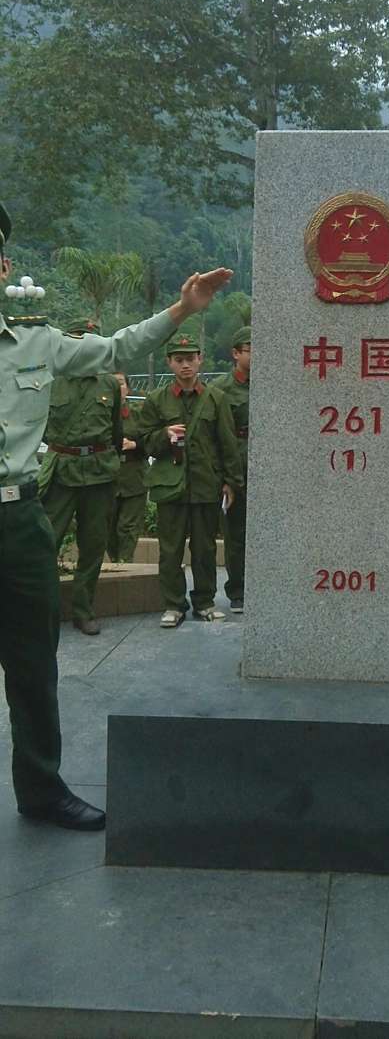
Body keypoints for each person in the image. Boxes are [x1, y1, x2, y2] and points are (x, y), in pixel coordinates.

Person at [0, 197, 232, 830]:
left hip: (16, 521)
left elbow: (117, 347)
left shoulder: (38, 342)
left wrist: (184, 310)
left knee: (32, 662)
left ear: (2, 265)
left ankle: (41, 789)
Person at [139, 332, 243, 627]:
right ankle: (173, 604)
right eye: (179, 360)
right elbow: (144, 441)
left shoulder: (216, 398)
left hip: (205, 484)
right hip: (170, 486)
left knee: (205, 548)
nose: (186, 365)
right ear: (169, 363)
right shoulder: (157, 400)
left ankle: (205, 602)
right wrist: (164, 435)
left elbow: (227, 444)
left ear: (200, 360)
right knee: (170, 549)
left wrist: (231, 482)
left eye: (191, 359)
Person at [38, 321, 122, 636]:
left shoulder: (109, 384)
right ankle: (40, 611)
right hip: (62, 472)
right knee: (45, 542)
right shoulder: (50, 380)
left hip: (99, 473)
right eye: (79, 341)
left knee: (93, 544)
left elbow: (116, 431)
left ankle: (83, 610)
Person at [218, 326, 251, 612]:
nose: (256, 354)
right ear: (236, 353)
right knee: (236, 533)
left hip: (268, 467)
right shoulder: (220, 389)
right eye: (250, 349)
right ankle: (237, 590)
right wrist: (226, 479)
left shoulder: (272, 384)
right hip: (236, 464)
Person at [106, 373, 147, 564]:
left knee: (128, 527)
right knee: (108, 528)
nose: (117, 387)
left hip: (134, 477)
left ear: (128, 388)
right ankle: (115, 561)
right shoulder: (100, 415)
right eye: (112, 383)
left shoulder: (139, 413)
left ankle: (125, 563)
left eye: (121, 383)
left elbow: (154, 438)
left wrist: (136, 445)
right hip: (107, 478)